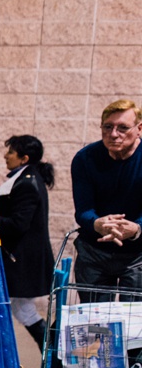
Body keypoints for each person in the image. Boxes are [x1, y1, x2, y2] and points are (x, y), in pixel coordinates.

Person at [71, 99, 142, 298]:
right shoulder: (85, 158)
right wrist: (97, 224)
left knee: (135, 321)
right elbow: (83, 209)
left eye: (123, 128)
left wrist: (136, 229)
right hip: (94, 250)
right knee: (96, 322)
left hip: (138, 254)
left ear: (139, 129)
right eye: (108, 127)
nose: (113, 134)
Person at [0, 135, 54, 348]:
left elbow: (19, 223)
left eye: (11, 152)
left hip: (22, 262)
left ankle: (54, 361)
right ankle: (53, 362)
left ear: (23, 158)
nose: (6, 156)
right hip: (20, 260)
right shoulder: (25, 178)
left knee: (23, 310)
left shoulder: (26, 183)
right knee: (22, 310)